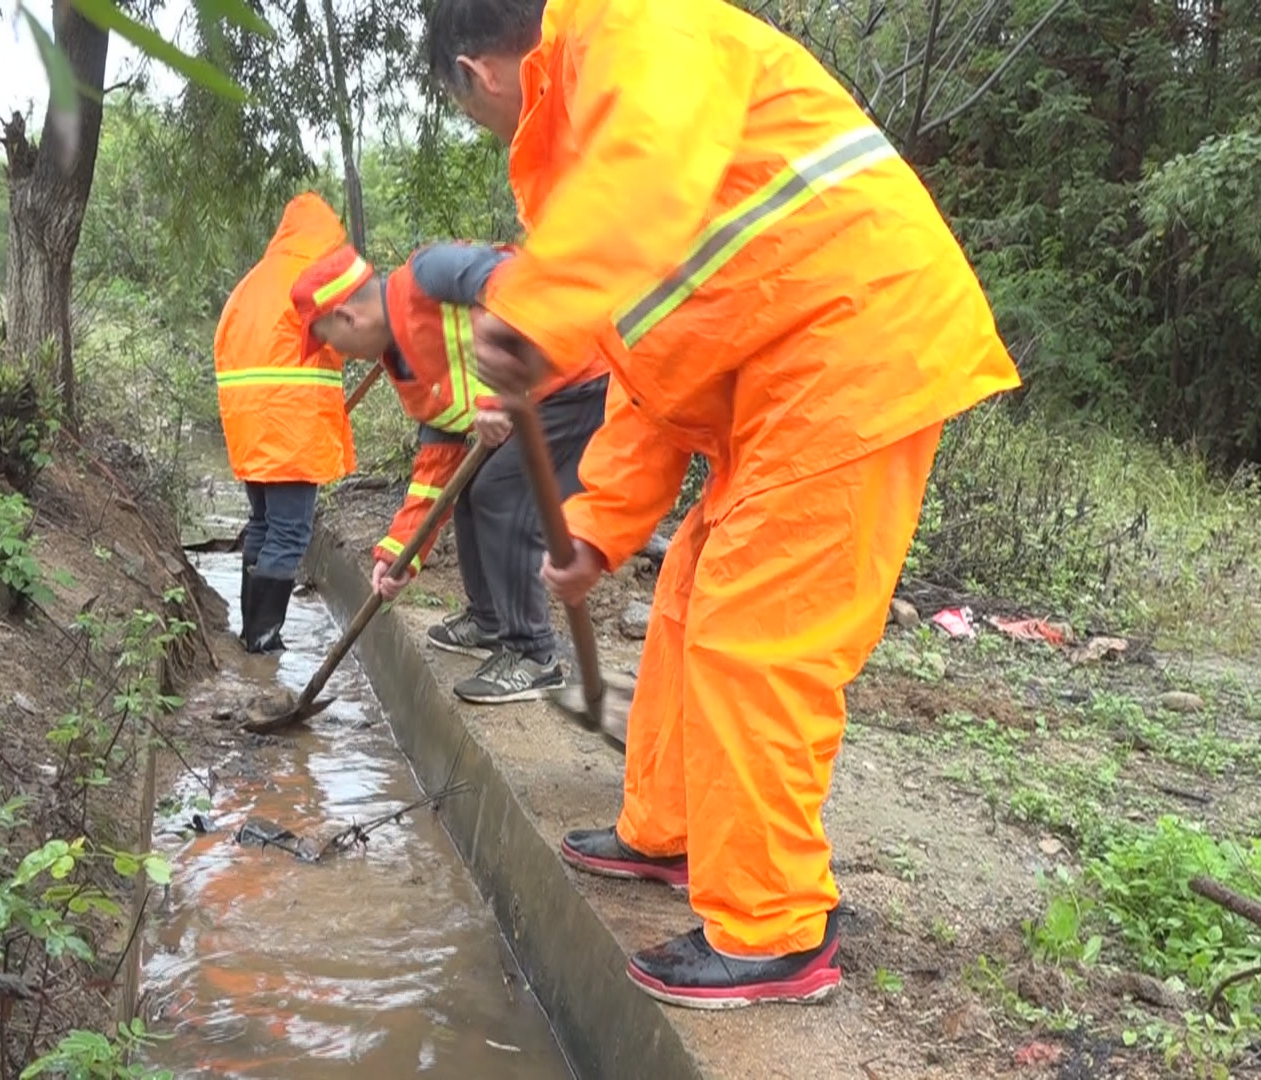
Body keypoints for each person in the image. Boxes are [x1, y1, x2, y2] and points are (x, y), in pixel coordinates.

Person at [425, 0, 1023, 1008]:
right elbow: (648, 384)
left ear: (476, 71)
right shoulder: (595, 156)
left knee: (760, 637)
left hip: (852, 349)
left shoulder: (635, 33)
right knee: (693, 606)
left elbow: (645, 174)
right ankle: (669, 832)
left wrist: (535, 307)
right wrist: (595, 530)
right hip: (784, 382)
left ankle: (773, 928)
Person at [290, 242, 609, 704]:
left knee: (500, 493)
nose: (339, 353)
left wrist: (498, 393)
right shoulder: (405, 368)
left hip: (579, 376)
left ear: (347, 317)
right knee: (472, 488)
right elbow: (437, 468)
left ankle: (534, 656)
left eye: (330, 341)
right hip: (535, 400)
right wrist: (399, 554)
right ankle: (489, 621)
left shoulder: (427, 275)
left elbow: (512, 283)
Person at [213, 192, 358, 652]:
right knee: (290, 532)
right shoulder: (314, 279)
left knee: (262, 523)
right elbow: (344, 340)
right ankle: (264, 639)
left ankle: (251, 634)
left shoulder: (250, 283)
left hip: (249, 428)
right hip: (293, 427)